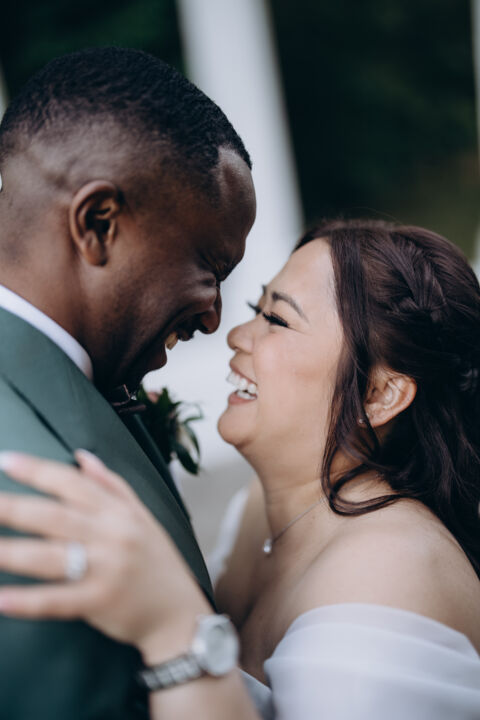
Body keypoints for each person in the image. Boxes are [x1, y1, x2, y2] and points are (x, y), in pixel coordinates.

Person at [0, 219, 478, 719]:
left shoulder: (388, 579)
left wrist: (172, 627)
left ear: (379, 395)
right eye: (256, 309)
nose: (236, 336)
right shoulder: (255, 506)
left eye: (277, 320)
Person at [0, 47, 255, 718]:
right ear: (98, 225)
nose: (214, 317)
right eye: (210, 266)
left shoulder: (86, 380)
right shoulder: (30, 498)